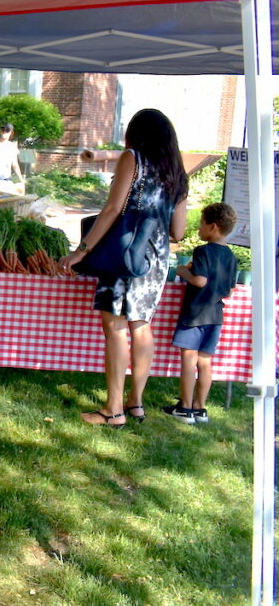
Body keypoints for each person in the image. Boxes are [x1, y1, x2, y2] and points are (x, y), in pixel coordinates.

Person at [59, 109, 188, 428]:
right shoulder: (177, 172)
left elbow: (113, 208)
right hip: (157, 256)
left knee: (115, 326)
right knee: (141, 325)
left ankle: (113, 410)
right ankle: (135, 403)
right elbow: (179, 231)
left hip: (126, 250)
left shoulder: (133, 158)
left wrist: (81, 251)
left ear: (137, 134)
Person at [163, 202, 238, 425]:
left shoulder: (203, 251)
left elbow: (200, 280)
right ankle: (200, 407)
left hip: (195, 313)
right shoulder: (231, 257)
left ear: (213, 227)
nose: (198, 229)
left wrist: (183, 270)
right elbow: (230, 291)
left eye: (202, 224)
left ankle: (185, 408)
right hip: (215, 315)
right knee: (205, 361)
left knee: (189, 360)